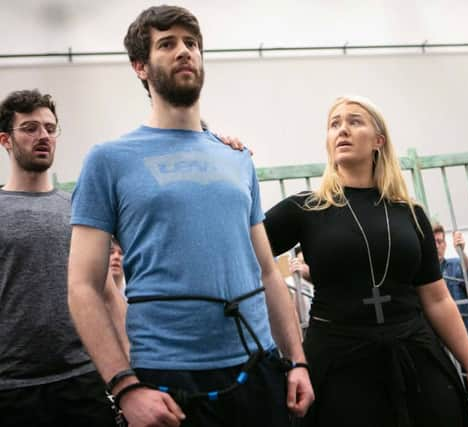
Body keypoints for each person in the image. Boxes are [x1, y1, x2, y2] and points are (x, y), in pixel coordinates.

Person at [67, 5, 313, 427]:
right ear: (140, 66)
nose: (184, 51)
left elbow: (268, 273)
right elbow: (83, 287)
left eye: (191, 44)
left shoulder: (235, 157)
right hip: (167, 382)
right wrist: (124, 387)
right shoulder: (108, 160)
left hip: (257, 367)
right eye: (167, 44)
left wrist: (297, 361)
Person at [264, 95, 468, 426]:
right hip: (338, 364)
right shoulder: (306, 208)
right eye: (334, 124)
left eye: (354, 121)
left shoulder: (410, 213)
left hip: (415, 356)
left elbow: (437, 297)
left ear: (378, 141)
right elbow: (243, 252)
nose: (342, 130)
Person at [0, 89, 121, 426]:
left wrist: (130, 372)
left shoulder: (78, 209)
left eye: (50, 128)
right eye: (30, 128)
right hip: (12, 391)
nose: (43, 136)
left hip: (83, 381)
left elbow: (109, 295)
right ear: (5, 140)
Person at [433, 223, 468, 355]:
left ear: (445, 244)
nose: (436, 246)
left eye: (439, 241)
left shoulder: (456, 264)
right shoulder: (423, 273)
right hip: (440, 344)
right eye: (432, 242)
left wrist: (461, 252)